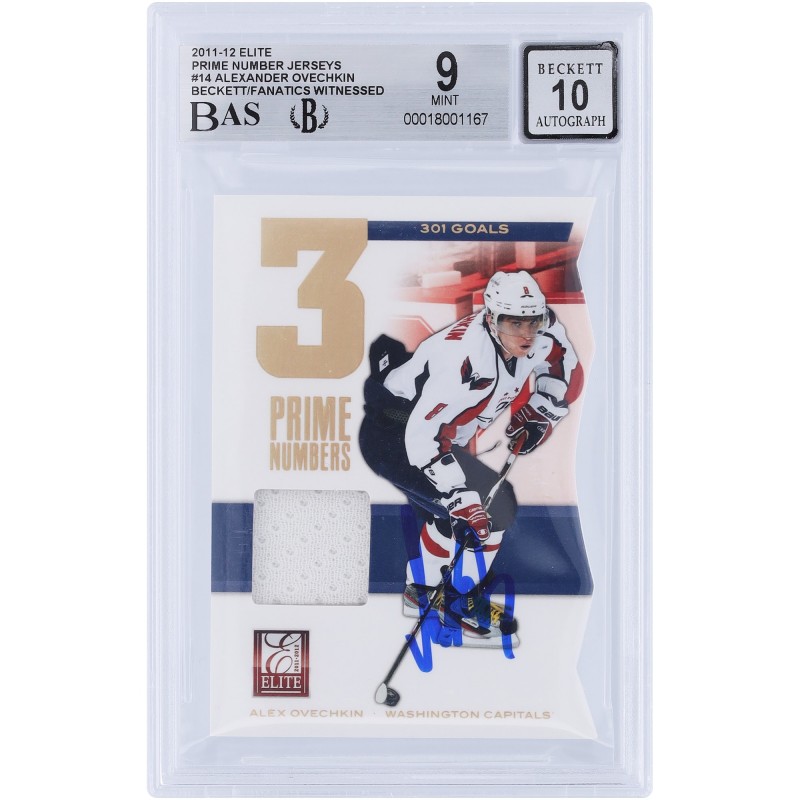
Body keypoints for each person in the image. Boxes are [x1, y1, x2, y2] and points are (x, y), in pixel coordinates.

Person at [359, 270, 582, 647]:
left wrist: (541, 408)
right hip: (394, 437)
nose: (527, 333)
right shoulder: (463, 361)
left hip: (435, 436)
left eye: (533, 320)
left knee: (467, 511)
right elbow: (422, 436)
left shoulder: (541, 331)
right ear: (491, 319)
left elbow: (563, 364)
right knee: (488, 508)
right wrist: (460, 497)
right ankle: (453, 601)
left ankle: (424, 594)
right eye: (514, 323)